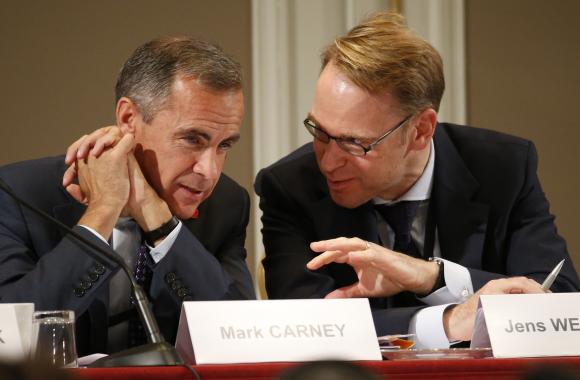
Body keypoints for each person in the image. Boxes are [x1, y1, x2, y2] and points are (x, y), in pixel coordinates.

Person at [254, 12, 579, 348]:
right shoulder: (289, 187)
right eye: (319, 131)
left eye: (354, 142)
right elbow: (304, 327)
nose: (329, 162)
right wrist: (450, 321)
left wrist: (431, 277)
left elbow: (560, 305)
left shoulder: (503, 167)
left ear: (421, 130)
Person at [0, 36, 255, 355]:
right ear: (128, 120)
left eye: (224, 146)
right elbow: (10, 340)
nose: (209, 170)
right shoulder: (17, 194)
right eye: (192, 139)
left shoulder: (226, 205)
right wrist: (103, 210)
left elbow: (241, 336)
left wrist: (159, 222)